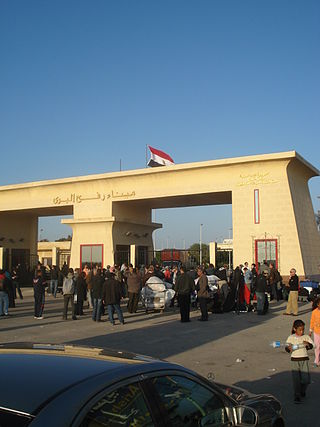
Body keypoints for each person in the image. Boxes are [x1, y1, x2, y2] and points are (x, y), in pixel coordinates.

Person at [285, 319, 313, 403]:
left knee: (306, 379)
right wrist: (288, 348)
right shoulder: (291, 337)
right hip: (295, 360)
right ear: (294, 329)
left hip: (304, 360)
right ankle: (297, 395)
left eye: (303, 329)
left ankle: (302, 390)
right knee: (296, 380)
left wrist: (308, 344)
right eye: (300, 330)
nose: (301, 331)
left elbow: (312, 345)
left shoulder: (306, 337)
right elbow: (287, 347)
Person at [309, 297, 320, 367]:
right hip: (316, 332)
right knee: (317, 347)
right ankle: (317, 360)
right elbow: (312, 321)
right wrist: (310, 330)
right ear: (317, 304)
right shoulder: (314, 312)